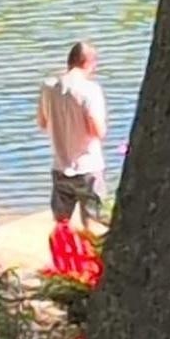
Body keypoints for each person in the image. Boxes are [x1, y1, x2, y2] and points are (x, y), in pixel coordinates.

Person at [37, 40, 111, 234]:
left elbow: (42, 123)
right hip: (88, 167)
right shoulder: (90, 90)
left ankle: (64, 254)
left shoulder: (48, 87)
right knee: (93, 225)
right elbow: (97, 131)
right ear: (89, 63)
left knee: (62, 226)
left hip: (60, 167)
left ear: (69, 62)